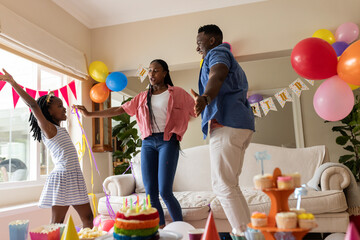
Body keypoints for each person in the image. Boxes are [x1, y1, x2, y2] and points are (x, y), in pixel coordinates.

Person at [75, 59, 195, 227]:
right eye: (150, 71)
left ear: (165, 73)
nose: (152, 74)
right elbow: (119, 109)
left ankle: (181, 228)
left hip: (168, 141)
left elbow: (197, 108)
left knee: (165, 191)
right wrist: (90, 114)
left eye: (156, 71)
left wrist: (208, 104)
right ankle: (159, 229)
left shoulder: (177, 93)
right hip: (147, 143)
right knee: (150, 192)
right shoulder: (142, 97)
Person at [0, 69, 94, 228]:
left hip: (75, 176)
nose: (64, 108)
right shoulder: (48, 129)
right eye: (59, 106)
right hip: (63, 178)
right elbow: (33, 104)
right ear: (48, 111)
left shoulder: (61, 129)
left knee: (88, 218)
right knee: (57, 223)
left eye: (63, 105)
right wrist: (13, 83)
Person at [191, 24, 255, 231]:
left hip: (227, 124)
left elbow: (217, 75)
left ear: (211, 40)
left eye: (199, 42)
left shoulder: (218, 52)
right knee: (231, 186)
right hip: (239, 125)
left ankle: (244, 235)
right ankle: (252, 233)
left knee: (223, 186)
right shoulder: (228, 57)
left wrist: (206, 97)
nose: (197, 48)